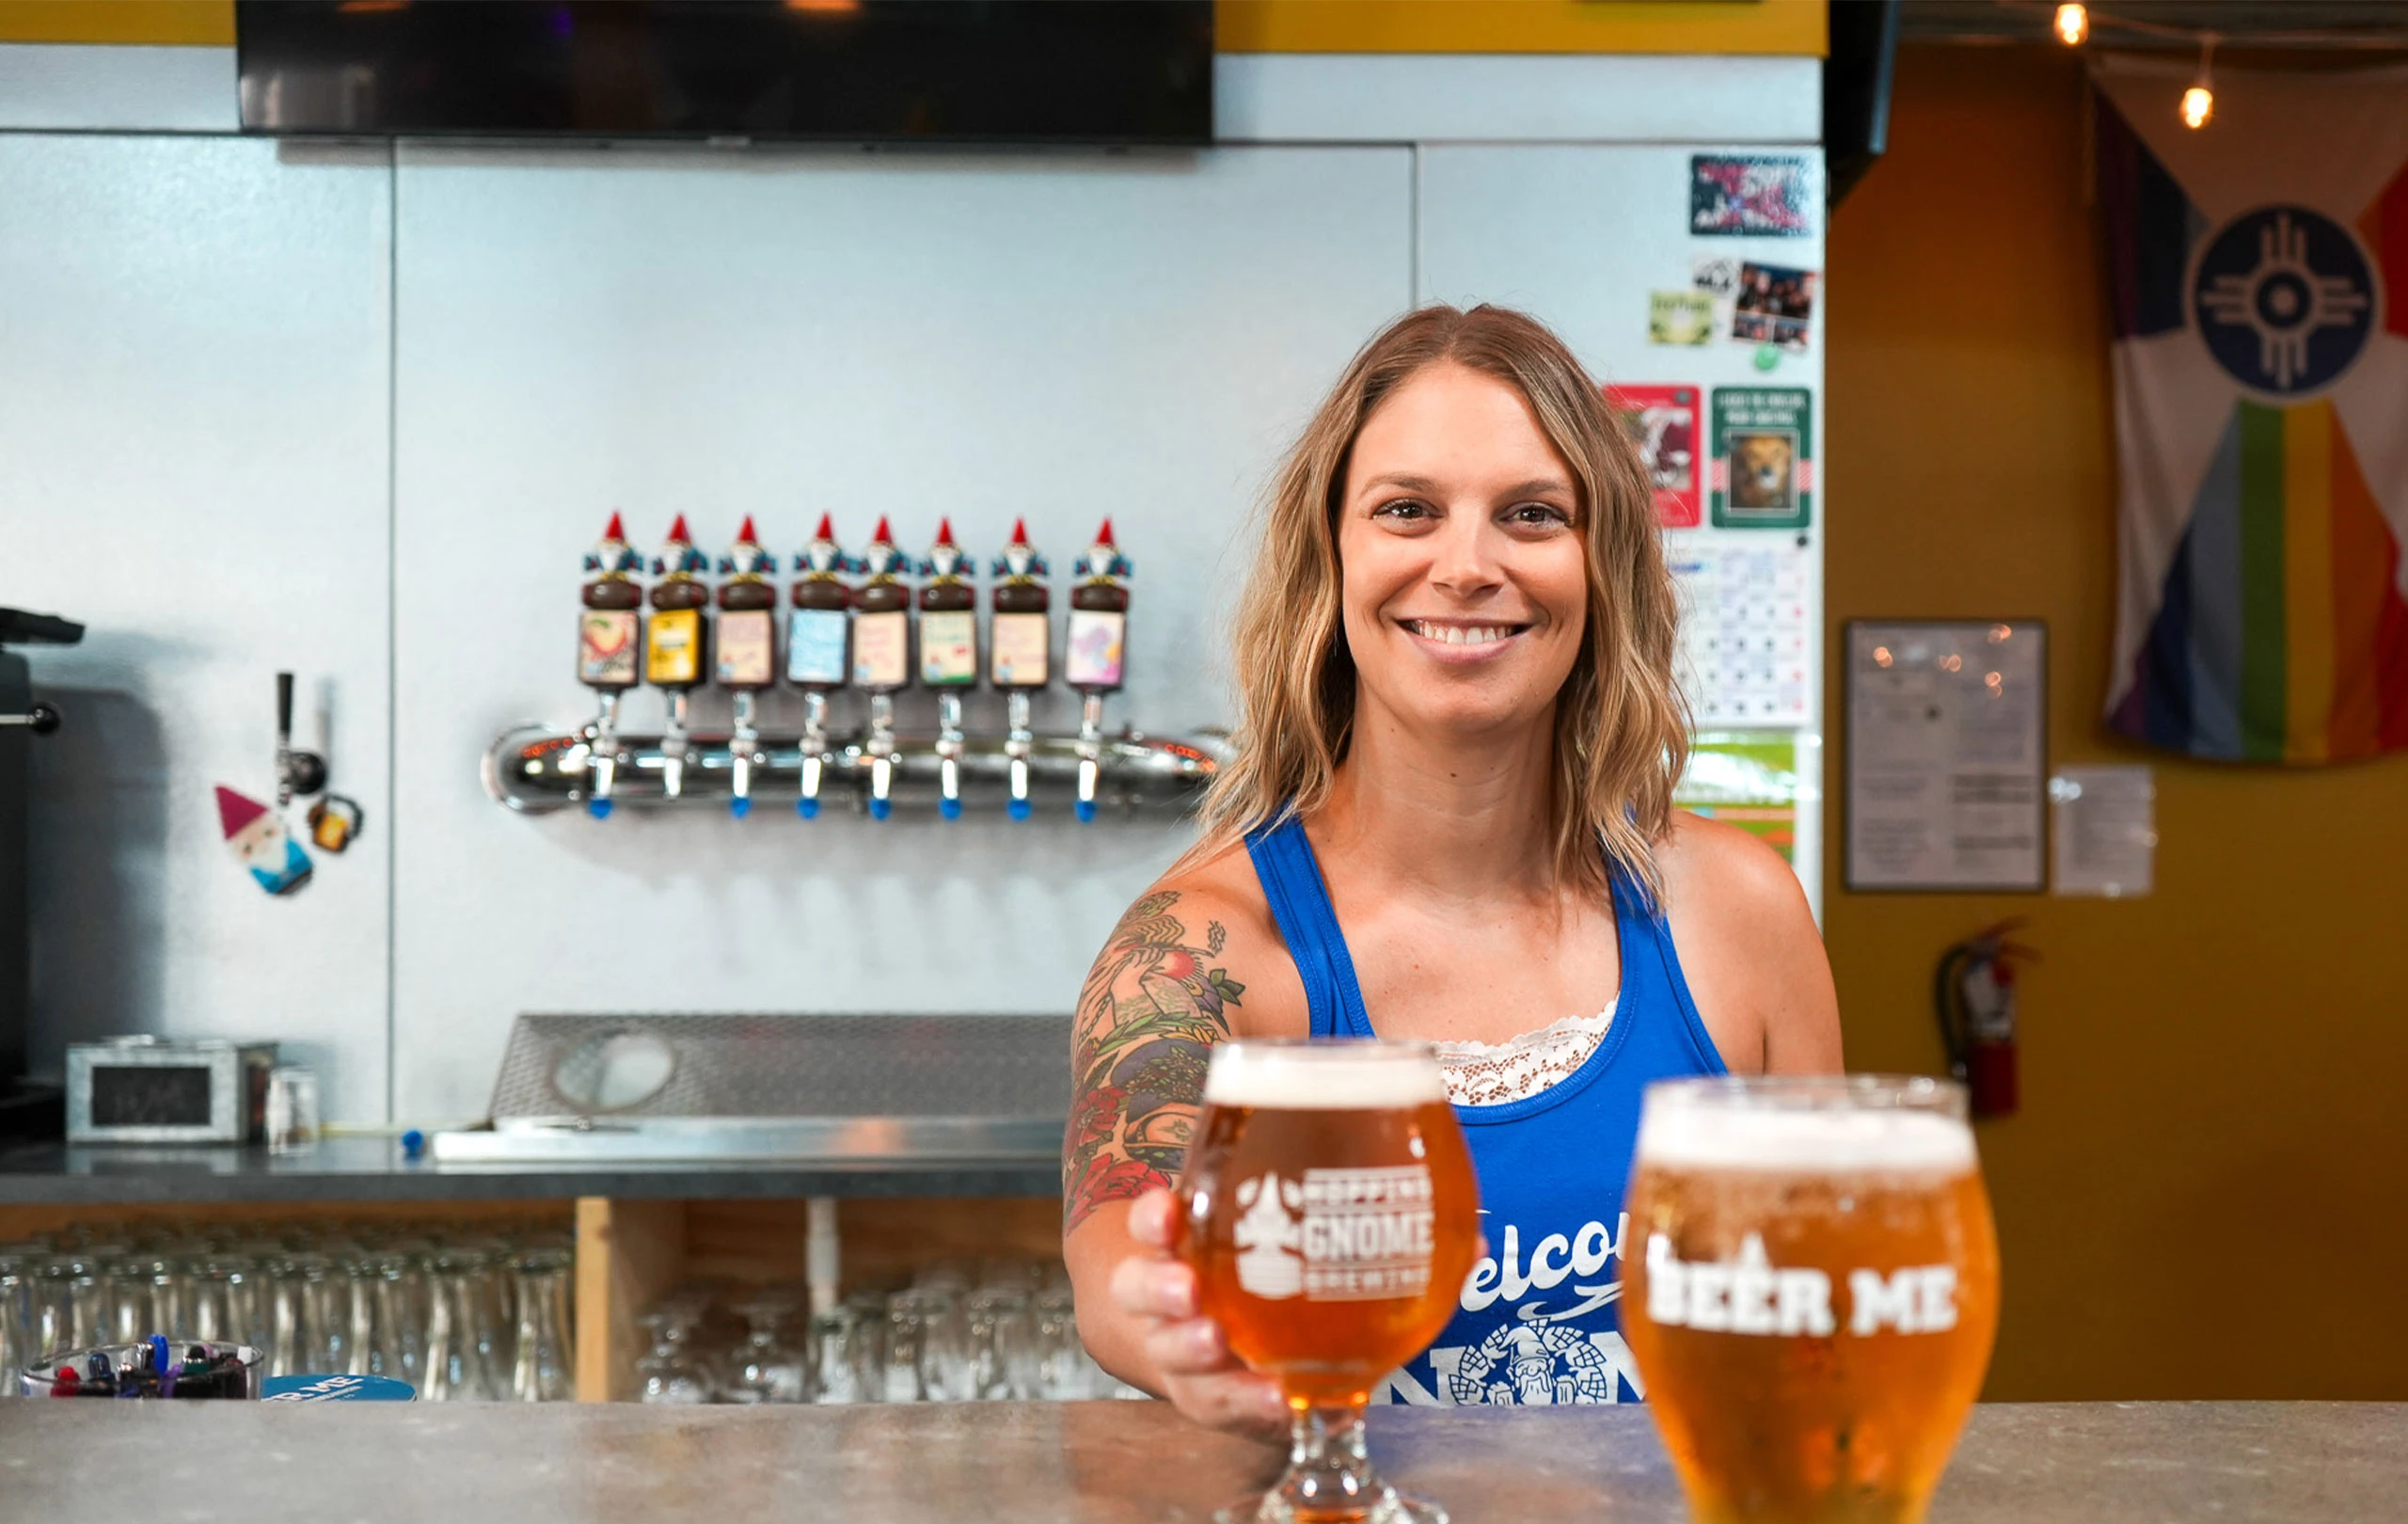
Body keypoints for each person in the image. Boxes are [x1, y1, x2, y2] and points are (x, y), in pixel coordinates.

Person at [1061, 305, 1840, 1427]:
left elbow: (1816, 1317)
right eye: (1406, 511)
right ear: (1330, 556)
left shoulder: (1735, 911)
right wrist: (1165, 1314)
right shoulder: (1205, 951)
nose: (1466, 566)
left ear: (1600, 565)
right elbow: (1119, 1256)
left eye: (1531, 515)